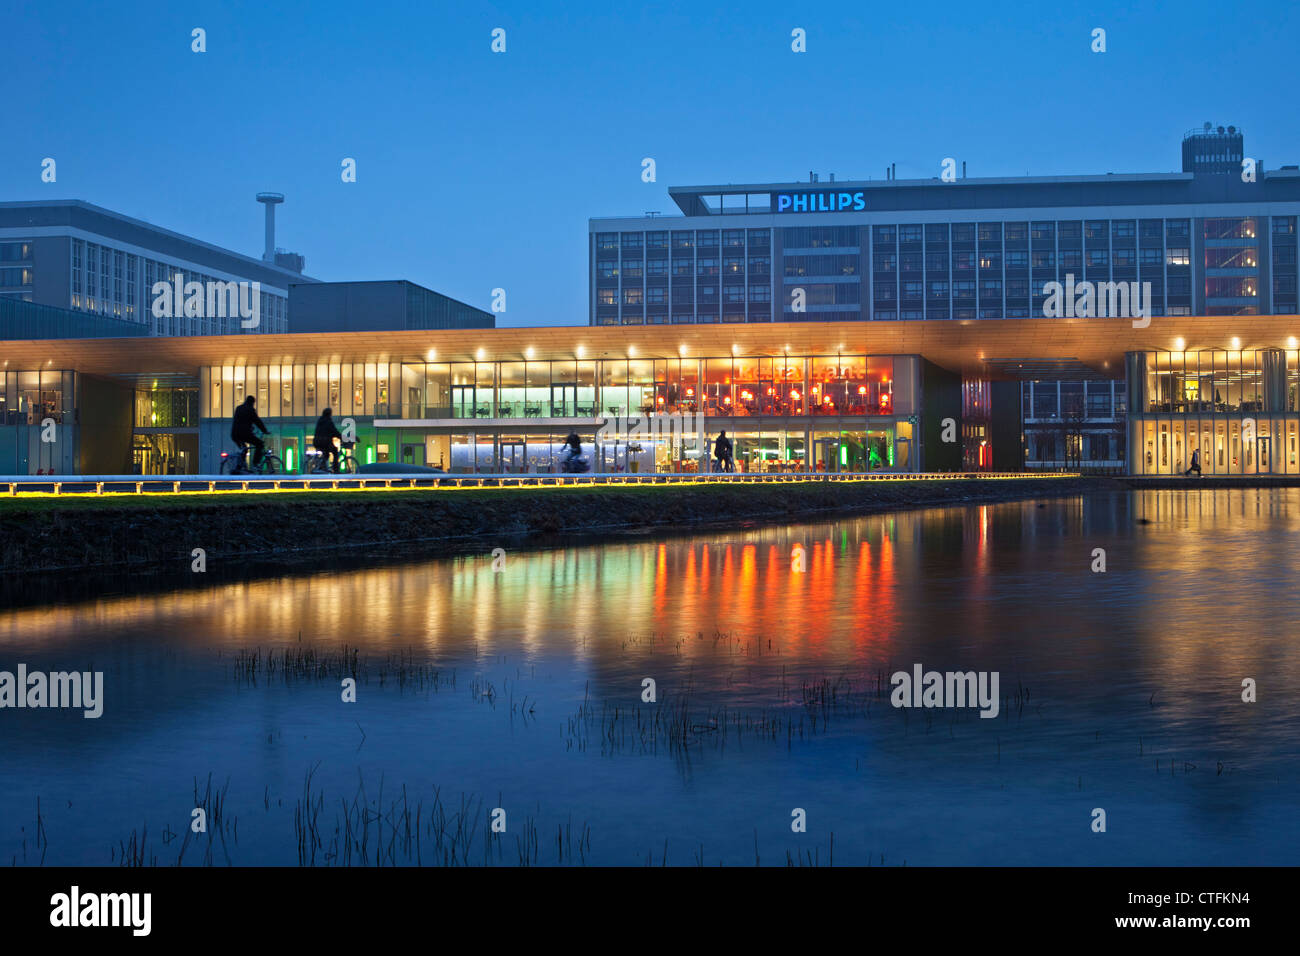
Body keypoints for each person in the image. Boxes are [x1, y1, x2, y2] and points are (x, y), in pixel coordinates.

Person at [230, 395, 268, 472]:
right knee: (260, 444)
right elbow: (257, 421)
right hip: (244, 434)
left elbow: (240, 421)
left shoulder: (239, 408)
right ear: (252, 402)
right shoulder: (250, 409)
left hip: (235, 434)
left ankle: (238, 468)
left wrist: (250, 427)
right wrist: (264, 430)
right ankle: (255, 464)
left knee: (244, 449)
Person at [313, 407, 343, 473]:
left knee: (326, 454)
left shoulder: (320, 420)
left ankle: (323, 466)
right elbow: (334, 431)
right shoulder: (328, 421)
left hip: (317, 442)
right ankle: (336, 470)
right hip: (324, 442)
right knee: (335, 452)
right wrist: (341, 437)